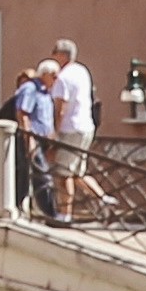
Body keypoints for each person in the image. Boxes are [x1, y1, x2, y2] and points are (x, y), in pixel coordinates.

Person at [5, 55, 66, 221]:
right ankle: (51, 213)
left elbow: (46, 117)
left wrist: (52, 136)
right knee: (42, 176)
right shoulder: (30, 89)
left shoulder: (46, 93)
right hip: (30, 138)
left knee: (26, 176)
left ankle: (18, 206)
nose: (56, 79)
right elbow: (22, 114)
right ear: (44, 74)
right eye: (54, 75)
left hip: (42, 140)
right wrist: (29, 139)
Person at [46, 40, 100, 222]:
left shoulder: (62, 78)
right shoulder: (82, 71)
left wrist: (54, 134)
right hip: (86, 127)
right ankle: (103, 198)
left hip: (70, 129)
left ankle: (64, 214)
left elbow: (60, 109)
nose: (52, 57)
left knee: (62, 174)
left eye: (54, 52)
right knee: (77, 173)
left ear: (62, 55)